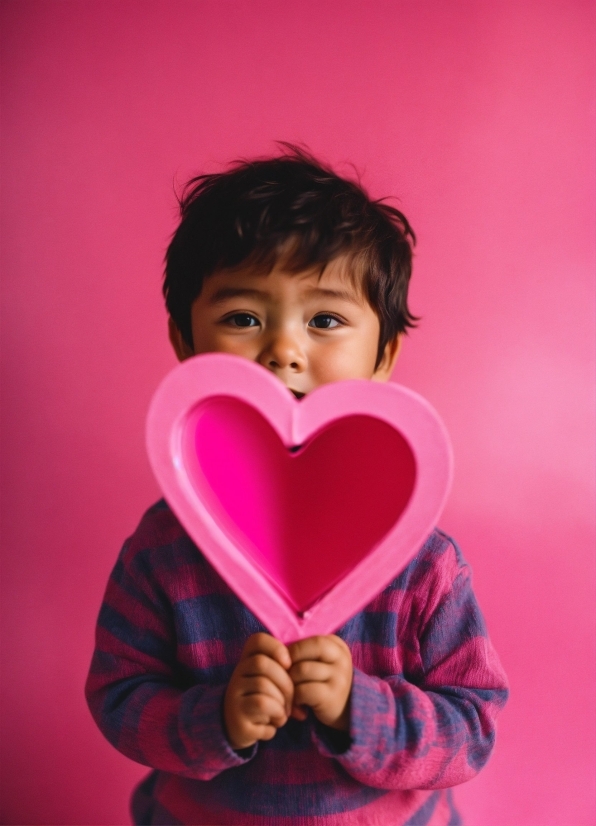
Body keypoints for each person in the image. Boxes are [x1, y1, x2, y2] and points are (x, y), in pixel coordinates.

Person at [85, 146, 508, 825]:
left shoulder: (426, 563)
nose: (284, 348)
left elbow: (473, 727)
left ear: (384, 355)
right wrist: (214, 717)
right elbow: (119, 700)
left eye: (325, 320)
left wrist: (357, 709)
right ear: (185, 344)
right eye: (244, 318)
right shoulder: (160, 551)